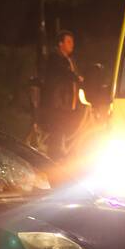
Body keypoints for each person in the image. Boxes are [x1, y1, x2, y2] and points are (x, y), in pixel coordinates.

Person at [40, 30, 83, 159]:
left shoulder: (68, 59)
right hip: (57, 102)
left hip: (67, 103)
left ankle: (59, 154)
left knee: (62, 130)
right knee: (57, 130)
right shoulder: (55, 58)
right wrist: (77, 77)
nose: (72, 44)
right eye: (68, 41)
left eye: (72, 41)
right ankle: (54, 158)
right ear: (60, 43)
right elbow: (63, 72)